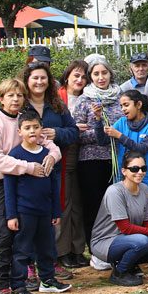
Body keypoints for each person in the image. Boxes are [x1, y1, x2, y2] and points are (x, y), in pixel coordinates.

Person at [0, 79, 60, 294]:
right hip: (1, 182)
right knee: (4, 232)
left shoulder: (27, 119)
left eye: (19, 95)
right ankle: (1, 285)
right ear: (1, 98)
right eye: (10, 95)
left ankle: (26, 279)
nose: (15, 100)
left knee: (28, 233)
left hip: (31, 183)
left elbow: (48, 143)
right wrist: (26, 166)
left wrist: (52, 156)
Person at [4, 107, 69, 294]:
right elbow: (9, 187)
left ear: (42, 129)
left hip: (45, 211)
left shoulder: (48, 154)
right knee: (23, 250)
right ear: (19, 132)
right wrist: (11, 215)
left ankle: (48, 280)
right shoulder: (15, 156)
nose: (32, 131)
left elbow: (54, 184)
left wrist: (55, 210)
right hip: (25, 212)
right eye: (27, 128)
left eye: (35, 127)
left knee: (47, 247)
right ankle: (18, 286)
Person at [20, 61, 78, 280]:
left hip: (53, 169)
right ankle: (27, 264)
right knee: (29, 217)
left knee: (52, 215)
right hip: (26, 170)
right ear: (27, 80)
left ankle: (49, 262)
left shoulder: (57, 105)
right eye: (35, 77)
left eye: (43, 78)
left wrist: (58, 133)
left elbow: (73, 132)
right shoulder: (20, 104)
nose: (39, 82)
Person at [90, 150, 148, 286]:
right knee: (141, 242)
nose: (140, 172)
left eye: (143, 168)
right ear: (124, 171)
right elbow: (125, 227)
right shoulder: (115, 191)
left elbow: (147, 221)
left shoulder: (145, 189)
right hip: (106, 241)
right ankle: (119, 272)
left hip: (130, 238)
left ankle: (131, 263)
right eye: (134, 169)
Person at [72, 60, 125, 269]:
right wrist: (104, 131)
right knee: (93, 206)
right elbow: (78, 133)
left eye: (104, 73)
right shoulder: (85, 101)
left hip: (116, 159)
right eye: (96, 74)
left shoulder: (120, 97)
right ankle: (95, 250)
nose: (101, 77)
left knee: (115, 206)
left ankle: (114, 245)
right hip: (91, 161)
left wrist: (116, 134)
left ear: (110, 74)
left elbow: (126, 126)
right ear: (90, 77)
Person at [99, 90, 148, 220]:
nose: (123, 109)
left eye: (126, 105)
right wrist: (98, 121)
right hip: (123, 179)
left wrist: (119, 135)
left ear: (138, 105)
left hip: (144, 179)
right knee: (124, 215)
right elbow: (103, 141)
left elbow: (141, 149)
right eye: (121, 106)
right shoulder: (121, 122)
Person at [56, 61, 90, 269]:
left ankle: (78, 249)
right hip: (65, 152)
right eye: (76, 75)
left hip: (85, 153)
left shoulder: (88, 97)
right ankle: (63, 250)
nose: (79, 80)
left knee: (79, 204)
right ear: (67, 76)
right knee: (65, 202)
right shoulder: (58, 98)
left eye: (83, 77)